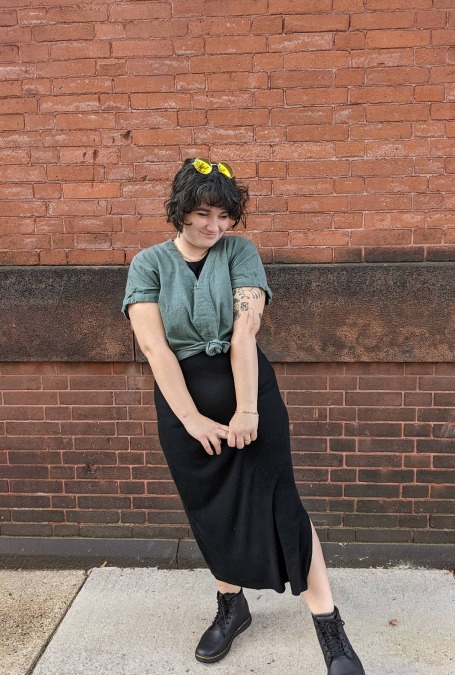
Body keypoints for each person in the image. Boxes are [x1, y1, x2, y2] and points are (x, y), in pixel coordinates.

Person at [121, 157, 366, 675]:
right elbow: (155, 347)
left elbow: (244, 331)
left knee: (283, 504)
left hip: (250, 394)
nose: (215, 226)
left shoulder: (239, 252)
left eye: (224, 216)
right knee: (210, 510)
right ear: (180, 210)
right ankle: (232, 608)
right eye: (203, 214)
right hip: (183, 407)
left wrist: (247, 408)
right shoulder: (148, 264)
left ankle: (331, 631)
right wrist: (192, 420)